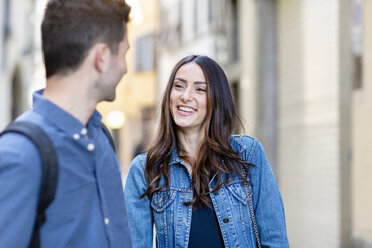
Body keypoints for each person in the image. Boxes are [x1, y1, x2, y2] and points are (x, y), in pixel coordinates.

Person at [0, 0, 132, 247]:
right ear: (102, 57)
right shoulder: (19, 155)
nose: (125, 67)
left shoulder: (102, 139)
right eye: (124, 53)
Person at [124, 55, 289, 248]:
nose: (185, 96)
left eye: (200, 89)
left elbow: (275, 240)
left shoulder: (248, 154)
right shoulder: (146, 170)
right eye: (179, 86)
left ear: (216, 100)